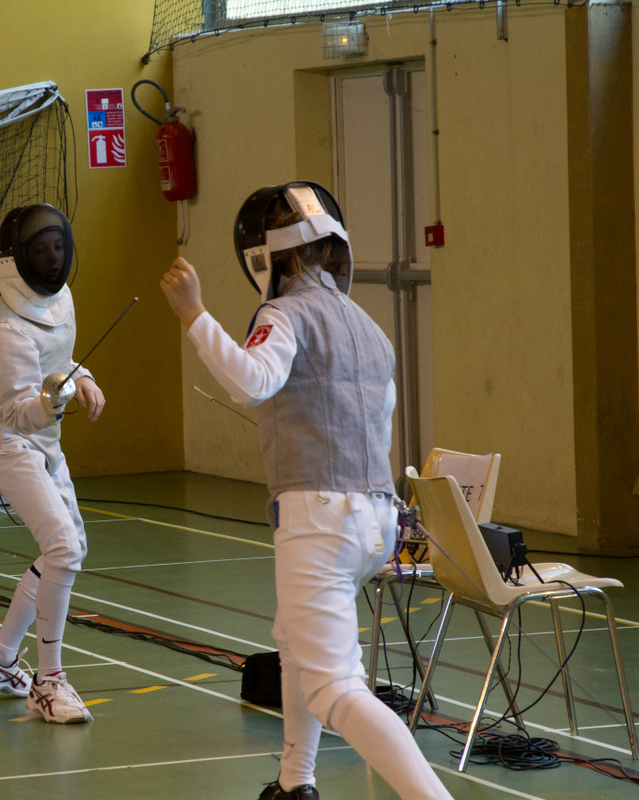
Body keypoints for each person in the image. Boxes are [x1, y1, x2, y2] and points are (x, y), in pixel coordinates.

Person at [160, 182, 454, 800]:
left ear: (264, 255)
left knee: (336, 688)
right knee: (295, 643)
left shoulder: (283, 315)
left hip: (320, 520)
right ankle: (296, 782)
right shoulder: (370, 328)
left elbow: (251, 381)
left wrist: (193, 314)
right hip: (376, 520)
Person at [0, 204, 105, 724]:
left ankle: (1, 660)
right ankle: (49, 683)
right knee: (63, 548)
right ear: (17, 259)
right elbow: (19, 413)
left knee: (70, 549)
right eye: (40, 250)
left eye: (59, 247)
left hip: (43, 437)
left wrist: (81, 377)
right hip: (7, 440)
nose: (52, 259)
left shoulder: (59, 300)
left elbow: (60, 359)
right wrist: (54, 401)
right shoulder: (6, 329)